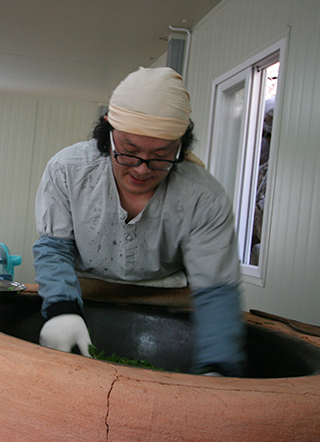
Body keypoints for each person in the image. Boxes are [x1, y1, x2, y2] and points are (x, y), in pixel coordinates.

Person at [33, 67, 246, 377]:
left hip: (169, 310)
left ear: (181, 146)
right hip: (84, 299)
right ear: (107, 133)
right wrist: (61, 308)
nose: (142, 169)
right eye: (129, 152)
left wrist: (219, 365)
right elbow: (54, 249)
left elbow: (216, 290)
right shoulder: (68, 171)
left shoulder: (203, 197)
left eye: (160, 156)